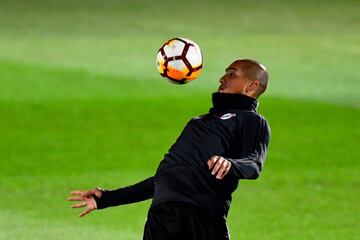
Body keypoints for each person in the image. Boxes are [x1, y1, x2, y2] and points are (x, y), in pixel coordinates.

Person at [67, 59, 271, 240]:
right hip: (162, 218)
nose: (222, 78)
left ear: (251, 85)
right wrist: (109, 199)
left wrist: (231, 164)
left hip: (202, 217)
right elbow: (166, 178)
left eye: (231, 74)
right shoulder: (198, 122)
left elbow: (254, 163)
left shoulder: (251, 121)